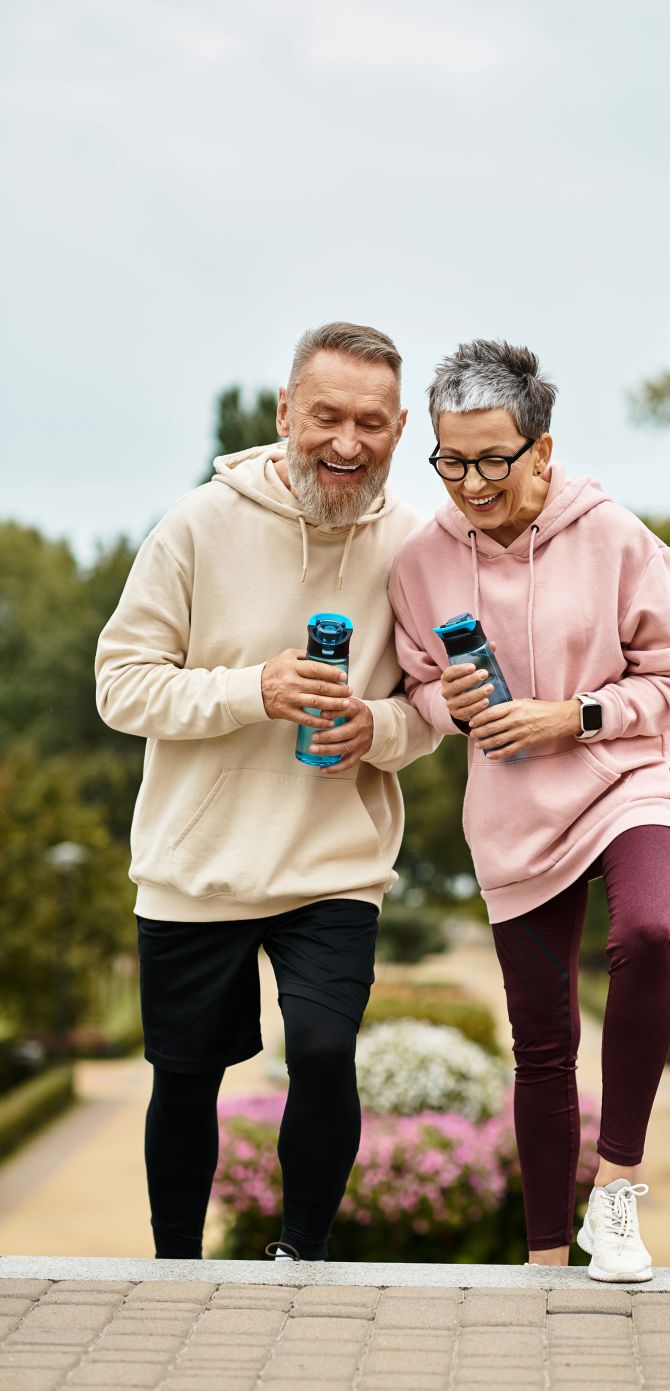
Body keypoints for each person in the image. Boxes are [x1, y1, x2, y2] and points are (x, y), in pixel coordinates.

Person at [95, 321, 437, 1262]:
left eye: (370, 422)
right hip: (196, 862)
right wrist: (254, 690)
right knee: (186, 1075)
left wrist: (384, 729)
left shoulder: (414, 545)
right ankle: (176, 1271)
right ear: (286, 410)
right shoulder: (196, 526)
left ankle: (300, 1262)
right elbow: (120, 685)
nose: (346, 442)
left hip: (332, 860)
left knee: (325, 1054)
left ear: (400, 428)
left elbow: (435, 700)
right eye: (326, 415)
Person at [384, 339, 670, 1281]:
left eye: (495, 458)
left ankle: (617, 1192)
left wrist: (574, 715)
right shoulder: (419, 563)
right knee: (543, 1044)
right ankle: (541, 1264)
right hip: (515, 816)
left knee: (646, 936)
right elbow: (416, 692)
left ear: (542, 450)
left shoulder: (616, 538)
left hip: (627, 778)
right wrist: (456, 704)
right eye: (452, 459)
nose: (472, 482)